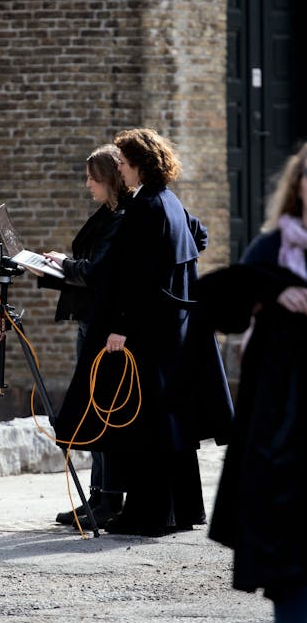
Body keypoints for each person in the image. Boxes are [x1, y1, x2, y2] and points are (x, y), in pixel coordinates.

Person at [53, 127, 233, 536]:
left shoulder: (145, 209)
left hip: (151, 334)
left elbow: (134, 278)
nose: (119, 169)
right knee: (172, 424)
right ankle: (181, 511)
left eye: (121, 163)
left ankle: (150, 515)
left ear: (138, 165)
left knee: (148, 425)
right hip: (176, 331)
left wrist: (120, 328)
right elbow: (196, 238)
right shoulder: (169, 202)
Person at [196, 141, 307, 623]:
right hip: (284, 436)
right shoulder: (272, 248)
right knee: (291, 568)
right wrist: (267, 289)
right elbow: (215, 305)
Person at [40, 144, 130, 527]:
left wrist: (64, 264)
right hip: (91, 321)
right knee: (94, 409)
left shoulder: (121, 218)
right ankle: (97, 495)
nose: (87, 184)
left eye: (92, 178)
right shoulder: (107, 214)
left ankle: (108, 498)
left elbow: (98, 272)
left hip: (102, 325)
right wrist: (61, 263)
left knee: (101, 408)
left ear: (110, 179)